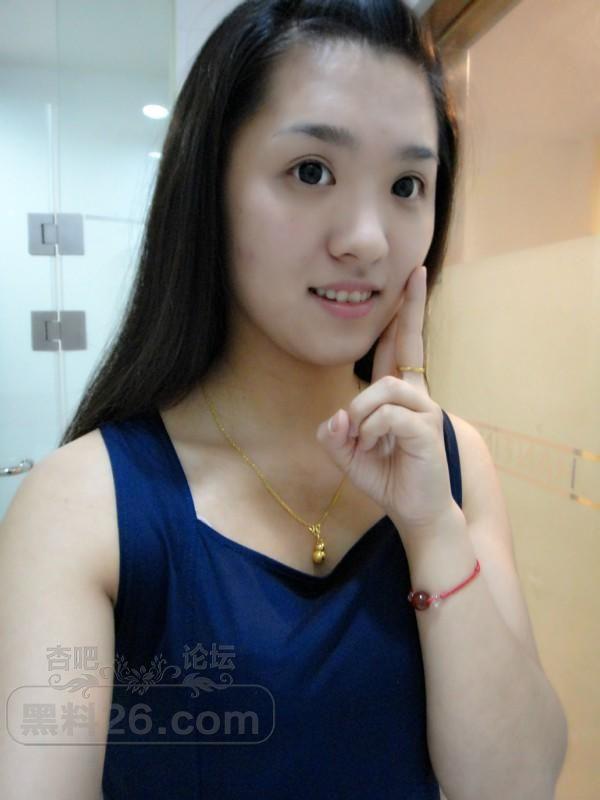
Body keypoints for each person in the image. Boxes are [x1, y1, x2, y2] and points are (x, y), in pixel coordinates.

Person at [0, 1, 568, 798]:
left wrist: (432, 529)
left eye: (408, 184)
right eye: (311, 171)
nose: (367, 238)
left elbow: (519, 784)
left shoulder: (454, 464)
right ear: (210, 185)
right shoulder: (84, 504)